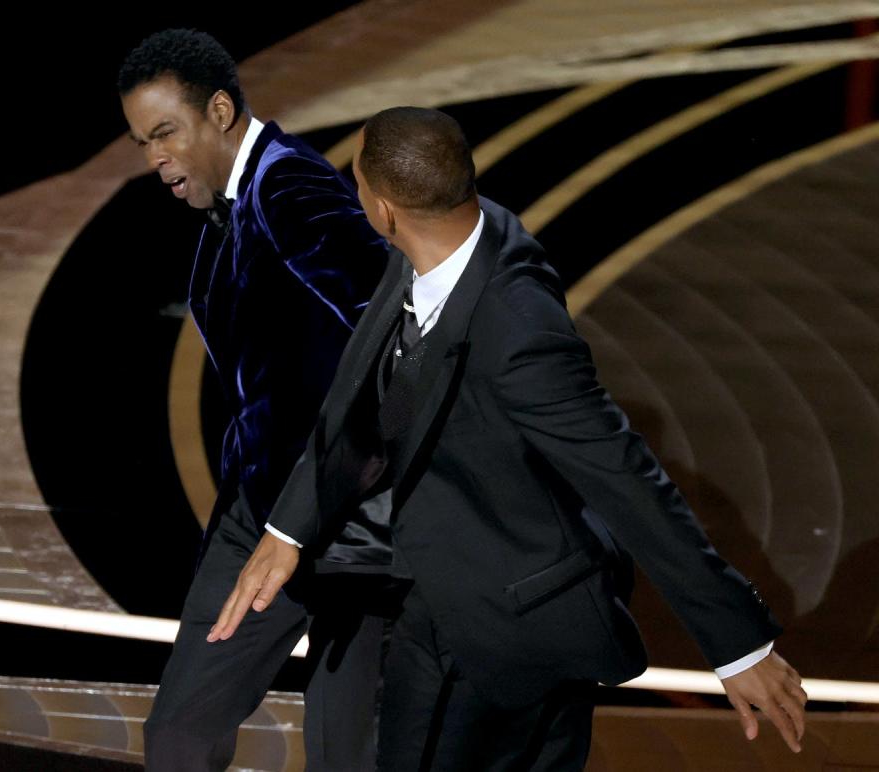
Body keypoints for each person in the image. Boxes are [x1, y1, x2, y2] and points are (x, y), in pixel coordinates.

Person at [208, 107, 809, 771]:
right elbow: (362, 389)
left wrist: (739, 646)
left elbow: (627, 479)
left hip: (502, 631)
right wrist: (289, 529)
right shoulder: (450, 234)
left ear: (382, 210)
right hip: (471, 606)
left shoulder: (519, 332)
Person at [118, 29, 398, 772]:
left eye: (165, 133)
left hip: (345, 525)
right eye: (143, 142)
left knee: (348, 754)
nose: (155, 159)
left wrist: (335, 481)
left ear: (218, 110)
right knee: (179, 732)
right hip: (259, 515)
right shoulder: (225, 213)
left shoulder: (288, 185)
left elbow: (391, 314)